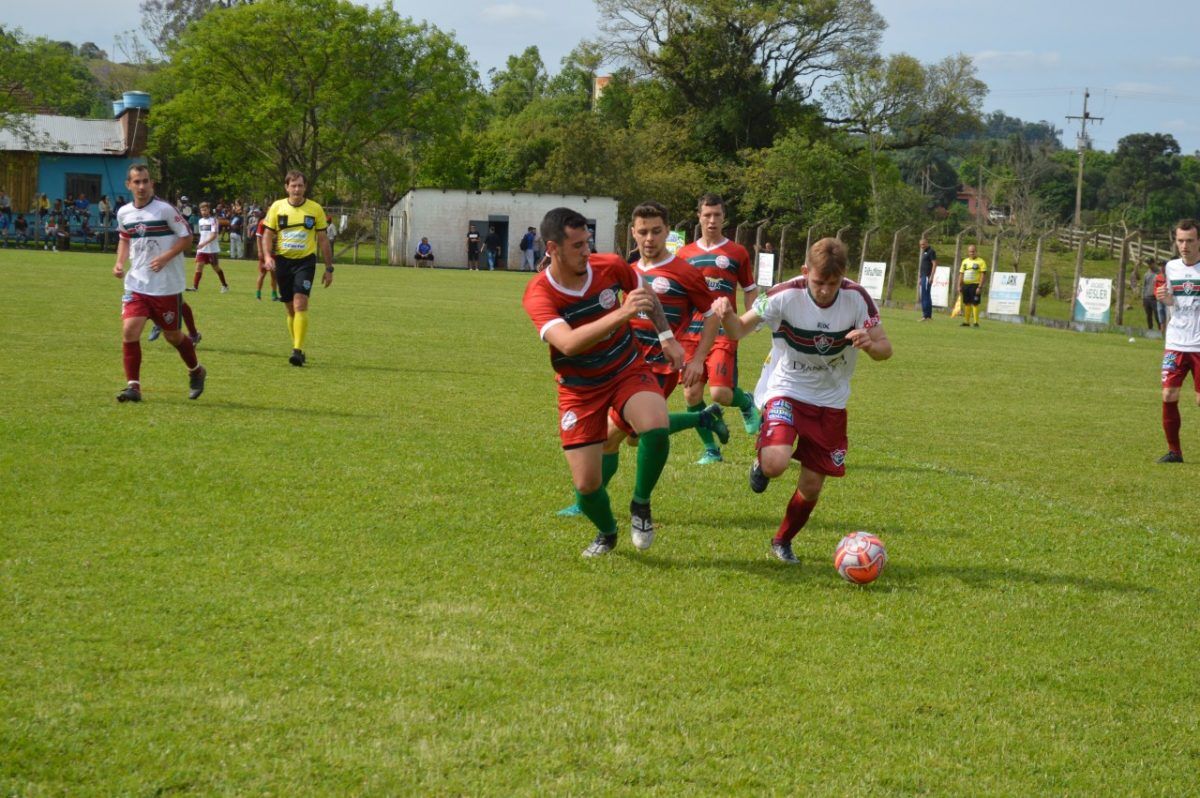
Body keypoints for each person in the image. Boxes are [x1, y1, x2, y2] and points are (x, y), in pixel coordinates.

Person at [712, 237, 893, 563]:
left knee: (811, 485)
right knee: (775, 463)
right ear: (805, 271)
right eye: (818, 282)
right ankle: (762, 462)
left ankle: (782, 541)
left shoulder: (858, 299)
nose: (825, 290)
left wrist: (869, 343)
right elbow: (738, 330)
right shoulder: (783, 295)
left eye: (833, 283)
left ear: (844, 276)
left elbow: (885, 349)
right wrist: (726, 314)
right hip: (787, 389)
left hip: (831, 401)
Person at [523, 206, 685, 557]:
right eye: (578, 245)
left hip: (626, 367)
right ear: (552, 249)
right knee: (586, 486)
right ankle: (608, 533)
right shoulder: (539, 293)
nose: (587, 251)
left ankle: (640, 505)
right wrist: (622, 313)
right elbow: (567, 343)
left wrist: (666, 337)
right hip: (580, 388)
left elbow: (646, 296)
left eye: (588, 242)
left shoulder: (610, 265)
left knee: (655, 424)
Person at [555, 200, 727, 518]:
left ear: (667, 232)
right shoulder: (628, 270)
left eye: (657, 231)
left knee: (608, 437)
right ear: (633, 233)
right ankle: (702, 418)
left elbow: (711, 316)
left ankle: (591, 503)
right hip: (622, 367)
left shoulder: (684, 272)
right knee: (631, 438)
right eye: (643, 232)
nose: (650, 239)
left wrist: (697, 359)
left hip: (658, 370)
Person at [676, 193, 761, 464]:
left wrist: (752, 316)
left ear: (724, 218)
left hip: (724, 330)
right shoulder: (684, 254)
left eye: (717, 215)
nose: (712, 220)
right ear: (699, 216)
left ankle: (746, 402)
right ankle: (711, 450)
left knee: (721, 394)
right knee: (691, 394)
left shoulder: (737, 252)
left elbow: (750, 289)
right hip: (692, 332)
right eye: (707, 215)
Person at [112, 164, 207, 403]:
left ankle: (196, 370)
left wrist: (165, 257)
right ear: (129, 185)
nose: (142, 186)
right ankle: (133, 387)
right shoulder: (124, 213)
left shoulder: (164, 210)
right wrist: (120, 263)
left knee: (173, 336)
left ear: (152, 184)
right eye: (137, 182)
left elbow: (187, 238)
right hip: (137, 284)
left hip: (165, 286)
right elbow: (124, 238)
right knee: (129, 330)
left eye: (145, 181)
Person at [261, 170, 334, 366]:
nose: (297, 189)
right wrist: (268, 256)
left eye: (300, 185)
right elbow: (267, 235)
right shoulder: (277, 207)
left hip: (305, 262)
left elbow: (323, 240)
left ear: (305, 187)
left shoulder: (315, 209)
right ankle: (297, 346)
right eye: (293, 185)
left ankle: (297, 350)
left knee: (300, 304)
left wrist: (329, 268)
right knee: (290, 309)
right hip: (283, 262)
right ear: (286, 187)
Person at [1154, 219, 1200, 463]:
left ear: (1198, 241)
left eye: (1190, 241)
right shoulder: (1170, 267)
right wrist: (1164, 297)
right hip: (1175, 344)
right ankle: (1174, 452)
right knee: (1169, 395)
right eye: (1180, 241)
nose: (1185, 246)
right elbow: (1164, 294)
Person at [189, 202, 229, 292]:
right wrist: (200, 244)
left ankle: (224, 285)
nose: (204, 212)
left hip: (212, 249)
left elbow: (214, 235)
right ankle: (195, 287)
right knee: (199, 266)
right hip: (202, 250)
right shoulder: (200, 221)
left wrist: (203, 243)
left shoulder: (213, 220)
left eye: (205, 210)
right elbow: (202, 234)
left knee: (216, 268)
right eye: (202, 210)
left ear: (209, 210)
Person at [957, 244, 987, 327]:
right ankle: (966, 322)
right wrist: (959, 285)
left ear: (976, 252)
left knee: (975, 303)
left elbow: (983, 275)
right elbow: (961, 274)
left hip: (975, 285)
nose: (972, 253)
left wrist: (980, 287)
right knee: (967, 303)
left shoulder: (981, 261)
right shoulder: (965, 261)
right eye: (970, 251)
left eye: (973, 251)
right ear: (968, 252)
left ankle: (976, 322)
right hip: (966, 285)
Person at [255, 216, 278, 301]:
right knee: (262, 274)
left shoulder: (278, 221)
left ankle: (274, 295)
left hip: (275, 252)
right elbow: (258, 237)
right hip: (265, 252)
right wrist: (260, 251)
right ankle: (258, 295)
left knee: (274, 275)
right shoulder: (263, 222)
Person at [919, 238, 938, 321]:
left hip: (927, 276)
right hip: (923, 276)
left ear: (927, 243)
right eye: (920, 245)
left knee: (925, 296)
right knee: (926, 295)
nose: (922, 246)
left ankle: (925, 316)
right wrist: (920, 277)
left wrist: (931, 276)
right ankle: (928, 316)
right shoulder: (924, 252)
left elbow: (934, 264)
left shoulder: (931, 251)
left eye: (923, 244)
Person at [1142, 260, 1163, 330]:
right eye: (1148, 264)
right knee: (1148, 315)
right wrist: (1143, 297)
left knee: (1157, 315)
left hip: (1155, 297)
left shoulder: (1158, 273)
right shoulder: (1146, 274)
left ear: (1153, 263)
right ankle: (1150, 329)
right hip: (1147, 297)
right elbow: (1144, 286)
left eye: (1150, 263)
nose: (1149, 265)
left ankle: (1160, 329)